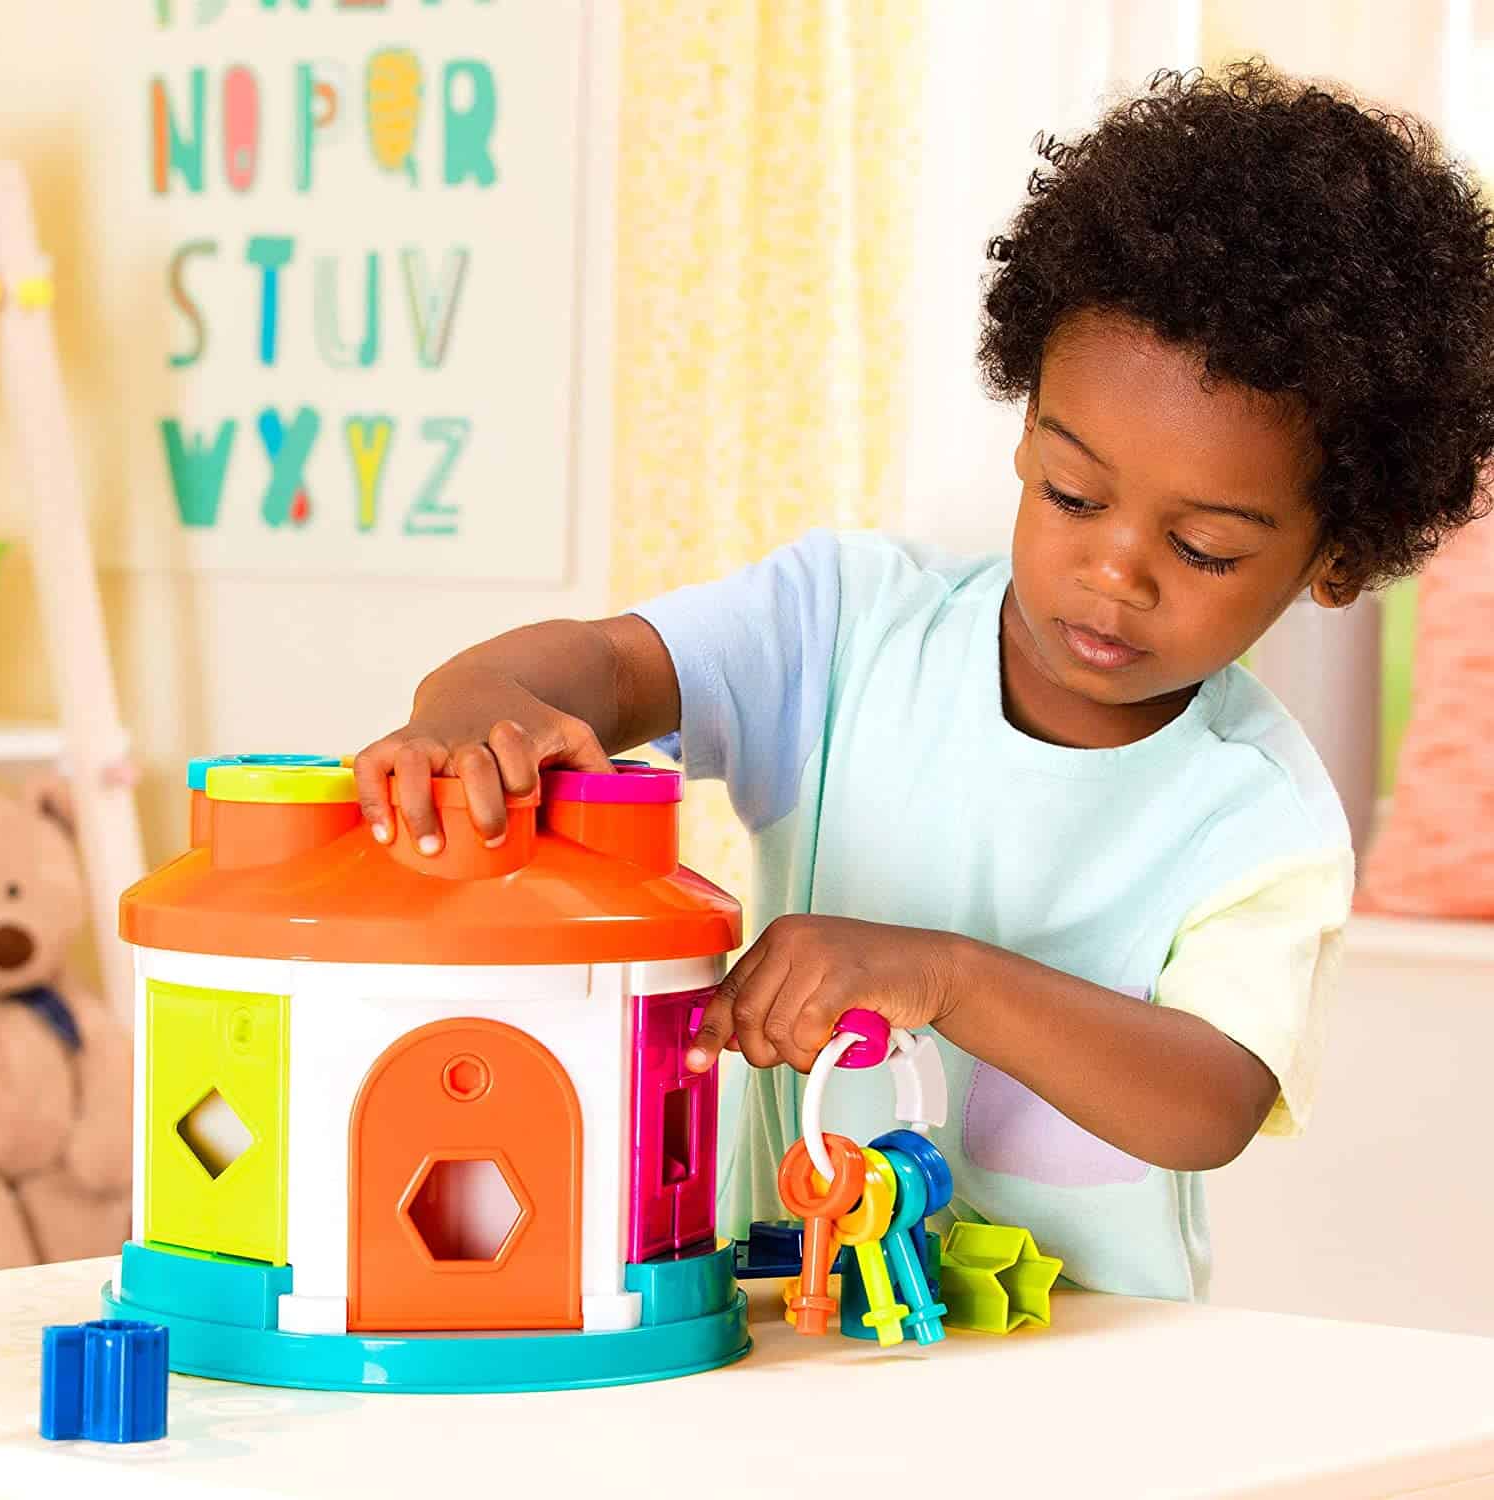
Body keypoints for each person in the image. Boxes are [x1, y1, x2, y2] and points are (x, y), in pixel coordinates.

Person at [354, 62, 1494, 1298]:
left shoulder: (1257, 813)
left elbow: (1209, 1100)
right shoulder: (845, 629)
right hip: (790, 1323)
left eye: (1202, 547)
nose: (1113, 569)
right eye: (1072, 493)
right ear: (1025, 431)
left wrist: (943, 974)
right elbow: (613, 668)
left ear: (1333, 562)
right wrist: (475, 705)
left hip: (1093, 1378)